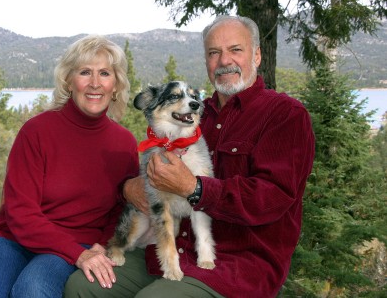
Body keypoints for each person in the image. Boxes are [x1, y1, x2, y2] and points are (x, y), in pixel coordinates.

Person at [64, 15, 315, 298]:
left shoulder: (285, 115)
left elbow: (272, 197)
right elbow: (153, 180)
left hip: (237, 266)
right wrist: (130, 188)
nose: (224, 61)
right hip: (169, 249)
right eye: (214, 53)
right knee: (82, 288)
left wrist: (194, 188)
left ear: (256, 55)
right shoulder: (191, 115)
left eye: (235, 50)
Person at [0, 35, 140, 298]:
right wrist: (78, 254)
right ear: (69, 81)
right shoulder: (36, 131)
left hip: (80, 242)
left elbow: (121, 208)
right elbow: (21, 212)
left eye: (104, 73)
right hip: (12, 239)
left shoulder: (124, 143)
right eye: (84, 72)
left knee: (32, 289)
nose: (95, 83)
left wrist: (101, 246)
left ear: (115, 86)